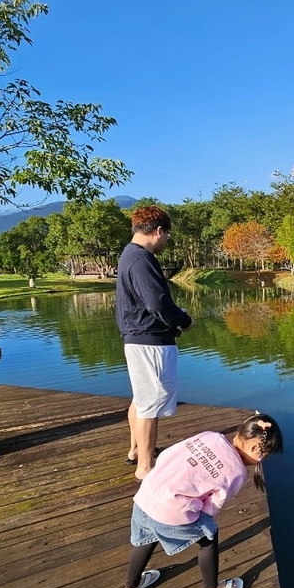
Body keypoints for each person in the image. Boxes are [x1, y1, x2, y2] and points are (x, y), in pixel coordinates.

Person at [116, 412, 285, 588]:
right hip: (170, 511)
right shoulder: (237, 471)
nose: (261, 461)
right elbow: (212, 507)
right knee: (208, 537)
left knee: (147, 538)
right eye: (263, 456)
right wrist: (195, 513)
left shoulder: (210, 436)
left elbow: (169, 454)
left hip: (146, 495)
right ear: (255, 447)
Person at [116, 206, 193, 480]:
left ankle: (137, 450)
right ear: (158, 230)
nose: (166, 240)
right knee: (150, 403)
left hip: (139, 337)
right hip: (149, 341)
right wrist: (183, 320)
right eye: (167, 235)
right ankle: (145, 468)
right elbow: (158, 302)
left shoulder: (129, 255)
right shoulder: (142, 259)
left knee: (141, 397)